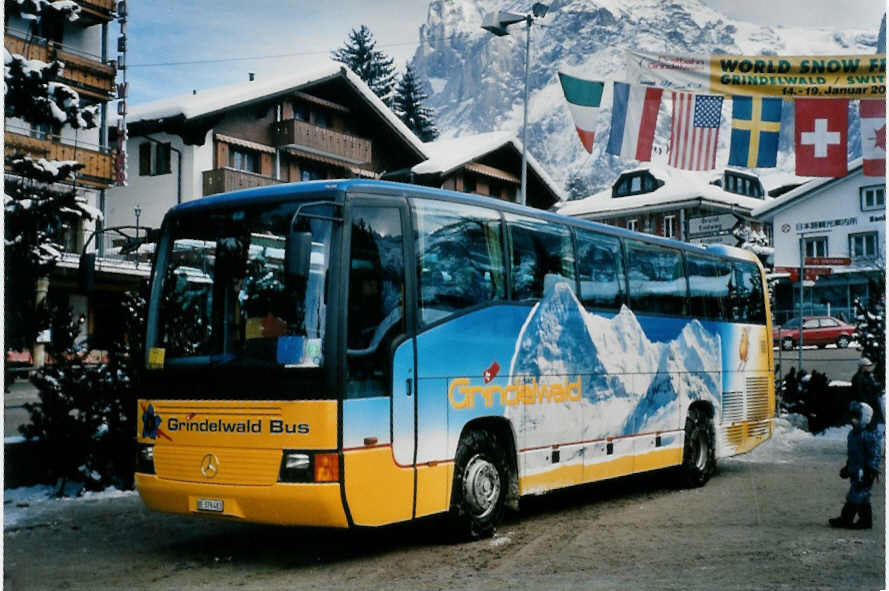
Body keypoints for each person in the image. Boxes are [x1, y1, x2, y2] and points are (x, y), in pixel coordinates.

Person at [829, 401, 881, 529]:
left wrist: (871, 470)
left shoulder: (869, 435)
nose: (853, 420)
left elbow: (874, 454)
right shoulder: (853, 434)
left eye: (857, 417)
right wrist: (848, 467)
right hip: (856, 470)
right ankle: (865, 521)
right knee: (862, 496)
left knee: (855, 494)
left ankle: (847, 519)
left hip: (865, 471)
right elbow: (853, 454)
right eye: (852, 417)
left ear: (865, 418)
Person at [851, 358, 884, 436]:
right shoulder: (858, 377)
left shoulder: (868, 376)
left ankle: (869, 435)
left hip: (871, 403)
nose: (869, 367)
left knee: (872, 422)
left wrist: (879, 387)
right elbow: (859, 392)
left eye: (869, 366)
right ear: (862, 366)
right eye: (867, 366)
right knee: (864, 422)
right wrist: (865, 402)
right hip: (864, 404)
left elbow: (872, 387)